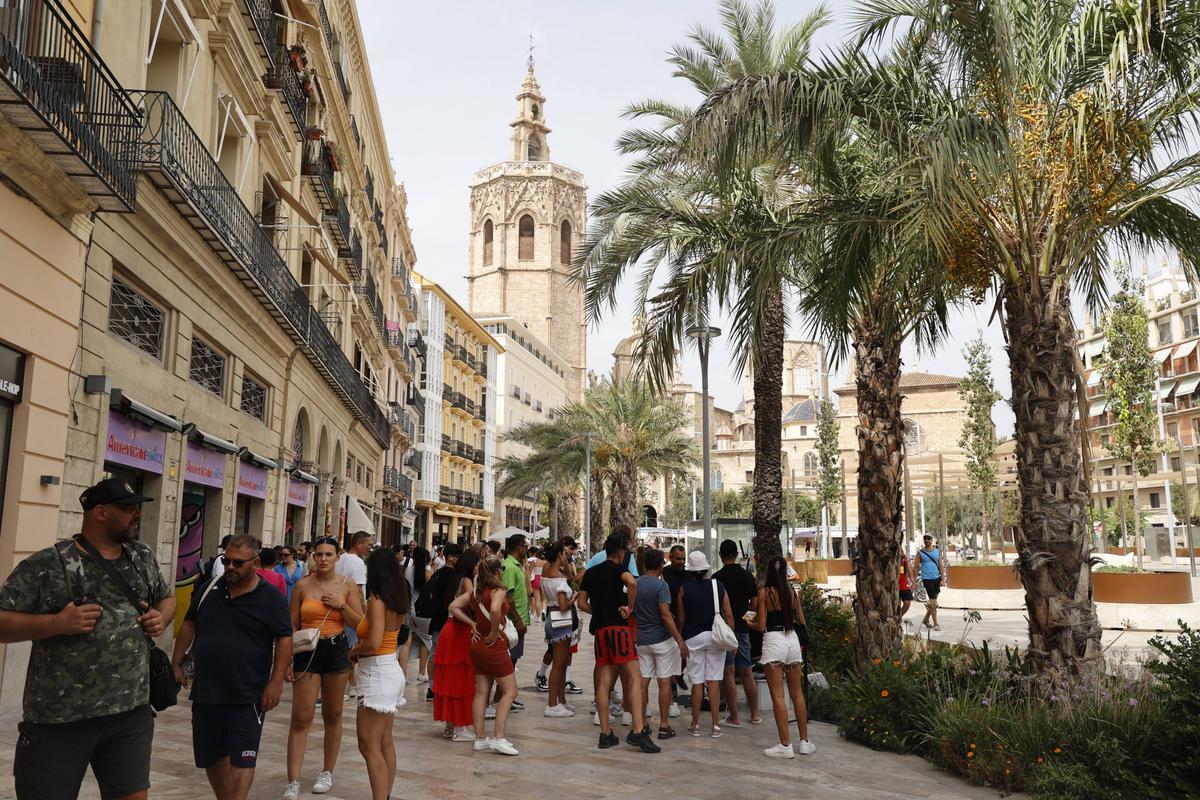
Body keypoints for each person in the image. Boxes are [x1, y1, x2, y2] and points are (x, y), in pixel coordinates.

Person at [0, 478, 175, 800]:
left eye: (138, 508)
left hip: (130, 712)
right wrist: (56, 622)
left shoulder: (141, 556)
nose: (137, 514)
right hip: (60, 719)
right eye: (128, 509)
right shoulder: (48, 564)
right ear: (100, 512)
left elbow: (167, 598)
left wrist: (160, 617)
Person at [171, 534, 292, 800]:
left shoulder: (271, 598)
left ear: (256, 562)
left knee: (243, 759)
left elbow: (284, 638)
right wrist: (176, 662)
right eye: (227, 561)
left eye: (238, 563)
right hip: (207, 691)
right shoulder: (209, 587)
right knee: (211, 757)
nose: (230, 568)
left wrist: (276, 682)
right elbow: (189, 623)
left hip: (248, 693)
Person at [284, 537, 364, 798]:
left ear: (337, 557)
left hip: (337, 648)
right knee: (301, 716)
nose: (323, 559)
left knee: (333, 714)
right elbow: (291, 626)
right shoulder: (302, 586)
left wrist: (341, 605)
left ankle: (327, 771)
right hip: (307, 651)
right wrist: (285, 661)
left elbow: (361, 624)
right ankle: (293, 780)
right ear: (313, 557)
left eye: (329, 554)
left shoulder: (347, 585)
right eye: (319, 554)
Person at [578, 533, 660, 753]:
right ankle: (637, 729)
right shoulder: (619, 570)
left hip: (601, 631)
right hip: (619, 630)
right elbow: (632, 582)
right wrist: (629, 608)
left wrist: (598, 611)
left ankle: (606, 733)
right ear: (622, 552)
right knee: (634, 677)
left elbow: (581, 603)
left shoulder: (592, 573)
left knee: (603, 683)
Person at [349, 548, 409, 800]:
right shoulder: (398, 598)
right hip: (390, 669)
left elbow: (373, 643)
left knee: (368, 745)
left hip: (377, 673)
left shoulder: (377, 601)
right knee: (384, 742)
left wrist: (353, 651)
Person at [449, 555, 519, 755]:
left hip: (477, 644)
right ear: (498, 572)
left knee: (481, 691)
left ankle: (480, 738)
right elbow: (496, 609)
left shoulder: (475, 593)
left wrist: (472, 624)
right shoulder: (499, 590)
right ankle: (499, 737)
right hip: (493, 645)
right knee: (510, 691)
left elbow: (453, 606)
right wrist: (496, 632)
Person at [754, 556, 815, 757]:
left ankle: (785, 745)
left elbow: (761, 624)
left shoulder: (764, 593)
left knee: (778, 696)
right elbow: (798, 617)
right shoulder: (793, 593)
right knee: (797, 694)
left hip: (773, 640)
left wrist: (749, 622)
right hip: (792, 640)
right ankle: (805, 742)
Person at [677, 550, 735, 738]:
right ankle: (715, 725)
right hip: (715, 637)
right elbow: (728, 615)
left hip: (693, 638)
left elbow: (682, 618)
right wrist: (732, 640)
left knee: (697, 682)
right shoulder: (718, 586)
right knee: (714, 682)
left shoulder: (684, 589)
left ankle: (695, 725)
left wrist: (679, 640)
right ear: (705, 569)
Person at [633, 547, 688, 739]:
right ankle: (664, 726)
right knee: (664, 681)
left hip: (642, 639)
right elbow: (665, 614)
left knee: (643, 682)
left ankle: (642, 724)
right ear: (660, 565)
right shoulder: (661, 586)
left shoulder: (636, 584)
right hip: (662, 640)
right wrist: (679, 640)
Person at [712, 539, 761, 726]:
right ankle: (755, 714)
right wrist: (745, 620)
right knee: (747, 671)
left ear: (720, 555)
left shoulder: (716, 578)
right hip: (742, 629)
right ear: (736, 555)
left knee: (729, 672)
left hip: (724, 631)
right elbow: (754, 605)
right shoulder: (748, 576)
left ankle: (734, 716)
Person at [432, 546, 477, 740]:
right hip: (459, 631)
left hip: (449, 629)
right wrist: (474, 622)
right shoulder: (467, 581)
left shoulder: (453, 578)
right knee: (462, 679)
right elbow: (471, 605)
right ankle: (460, 728)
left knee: (451, 679)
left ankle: (451, 725)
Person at [539, 541, 577, 717]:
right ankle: (552, 704)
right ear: (559, 555)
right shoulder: (559, 580)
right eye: (564, 554)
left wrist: (565, 562)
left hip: (551, 618)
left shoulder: (547, 573)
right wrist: (574, 598)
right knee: (559, 665)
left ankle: (561, 700)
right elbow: (564, 606)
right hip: (561, 620)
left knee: (559, 663)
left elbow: (569, 575)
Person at [497, 533, 530, 716]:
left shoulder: (516, 565)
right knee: (508, 663)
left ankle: (507, 696)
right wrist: (517, 619)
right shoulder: (509, 567)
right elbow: (508, 597)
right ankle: (500, 699)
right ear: (519, 548)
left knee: (512, 661)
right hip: (513, 623)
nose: (527, 549)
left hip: (519, 621)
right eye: (525, 546)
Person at [398, 545, 433, 683]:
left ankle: (403, 675)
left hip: (408, 609)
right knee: (426, 640)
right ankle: (421, 672)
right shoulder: (428, 573)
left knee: (406, 642)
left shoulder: (407, 571)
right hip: (423, 611)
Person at [917, 535, 946, 631]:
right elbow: (916, 567)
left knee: (934, 601)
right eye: (925, 539)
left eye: (929, 539)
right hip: (927, 579)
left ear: (932, 540)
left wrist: (942, 579)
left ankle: (925, 619)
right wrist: (913, 580)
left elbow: (940, 565)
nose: (927, 540)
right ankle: (936, 624)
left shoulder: (937, 551)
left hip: (936, 578)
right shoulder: (920, 553)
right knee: (933, 602)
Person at [898, 551, 913, 620]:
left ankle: (898, 618)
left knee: (907, 604)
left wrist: (913, 581)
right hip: (893, 585)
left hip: (903, 583)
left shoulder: (903, 556)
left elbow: (908, 568)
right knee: (896, 605)